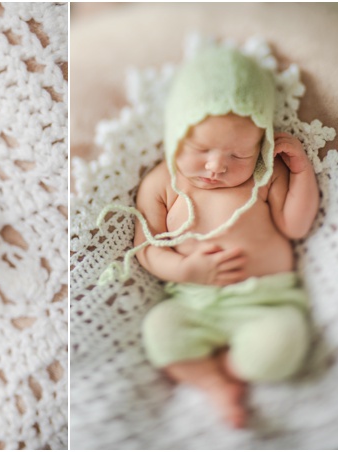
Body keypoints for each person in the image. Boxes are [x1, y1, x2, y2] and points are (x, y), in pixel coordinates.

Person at [128, 46, 319, 428]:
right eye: (200, 149)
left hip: (266, 301)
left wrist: (299, 171)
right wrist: (185, 269)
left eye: (238, 155)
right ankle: (211, 381)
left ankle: (232, 369)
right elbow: (146, 248)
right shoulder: (162, 183)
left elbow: (295, 226)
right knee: (161, 329)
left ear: (261, 145)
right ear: (175, 134)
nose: (217, 166)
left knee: (285, 341)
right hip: (196, 304)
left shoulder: (265, 177)